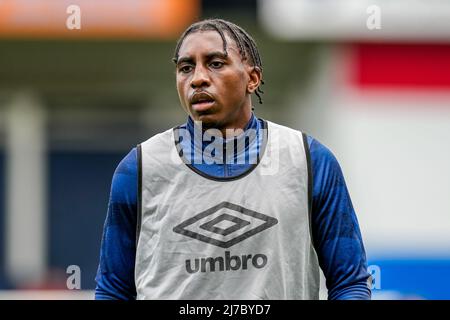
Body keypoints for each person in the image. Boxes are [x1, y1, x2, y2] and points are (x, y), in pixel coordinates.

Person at [95, 18, 371, 300]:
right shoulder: (140, 168)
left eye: (215, 63)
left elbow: (350, 282)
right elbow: (113, 289)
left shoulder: (309, 160)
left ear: (252, 78)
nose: (198, 78)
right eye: (185, 68)